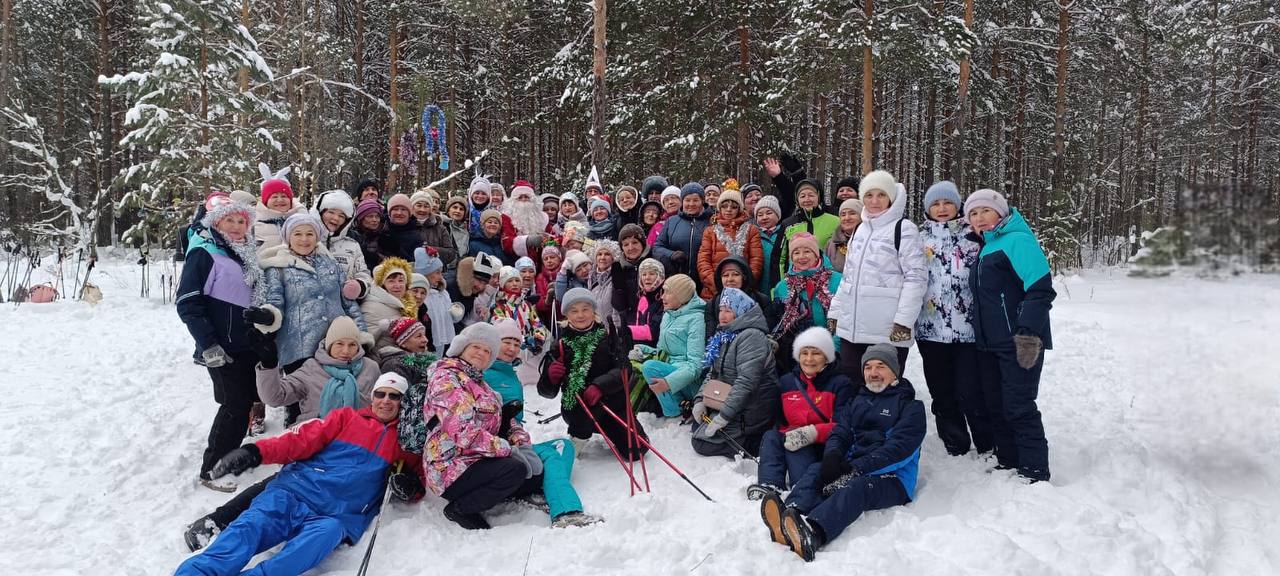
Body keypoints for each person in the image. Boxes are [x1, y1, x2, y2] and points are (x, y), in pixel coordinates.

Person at [175, 374, 423, 575]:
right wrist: (256, 452)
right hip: (294, 492)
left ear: (404, 402)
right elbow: (300, 441)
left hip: (336, 516)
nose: (386, 401)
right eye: (381, 394)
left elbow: (423, 480)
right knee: (247, 531)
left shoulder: (407, 443)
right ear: (372, 396)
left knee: (296, 557)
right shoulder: (347, 419)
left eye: (395, 396)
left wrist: (411, 486)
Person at [759, 344, 925, 562]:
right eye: (868, 367)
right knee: (816, 470)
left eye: (880, 366)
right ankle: (791, 514)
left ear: (895, 371)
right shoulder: (858, 400)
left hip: (894, 478)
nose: (873, 373)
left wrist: (857, 469)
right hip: (853, 465)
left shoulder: (911, 407)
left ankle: (814, 532)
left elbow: (899, 450)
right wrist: (833, 456)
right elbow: (841, 432)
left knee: (857, 488)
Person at [965, 188, 1055, 482]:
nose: (979, 218)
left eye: (985, 211)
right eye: (973, 213)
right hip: (990, 344)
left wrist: (1027, 332)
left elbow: (1040, 289)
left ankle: (1034, 468)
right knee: (996, 403)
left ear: (1001, 213)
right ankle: (1009, 459)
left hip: (1019, 342)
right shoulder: (987, 247)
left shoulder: (1017, 240)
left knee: (1019, 405)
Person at [177, 194, 263, 492]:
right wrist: (208, 344)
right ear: (216, 223)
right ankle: (212, 469)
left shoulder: (242, 253)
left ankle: (232, 456)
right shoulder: (204, 252)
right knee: (233, 404)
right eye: (230, 220)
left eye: (241, 221)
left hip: (245, 344)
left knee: (244, 401)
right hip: (221, 347)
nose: (237, 226)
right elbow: (188, 303)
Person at [423, 323, 542, 529]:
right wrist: (507, 449)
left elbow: (503, 419)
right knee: (514, 470)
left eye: (487, 351)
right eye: (476, 347)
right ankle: (460, 509)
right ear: (462, 347)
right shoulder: (446, 378)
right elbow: (463, 432)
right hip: (449, 466)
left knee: (533, 476)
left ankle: (490, 490)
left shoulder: (480, 383)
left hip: (476, 457)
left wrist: (522, 443)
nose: (481, 353)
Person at [487, 319, 600, 527]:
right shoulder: (485, 373)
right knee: (551, 456)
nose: (512, 348)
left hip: (515, 441)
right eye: (506, 342)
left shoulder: (509, 372)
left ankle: (543, 487)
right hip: (497, 446)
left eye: (516, 343)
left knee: (564, 446)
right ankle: (566, 512)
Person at [828, 170, 926, 391]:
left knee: (884, 386)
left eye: (881, 195)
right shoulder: (860, 229)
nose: (874, 201)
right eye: (869, 195)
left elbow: (916, 278)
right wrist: (835, 311)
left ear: (891, 197)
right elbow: (848, 277)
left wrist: (904, 321)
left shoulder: (904, 229)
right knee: (851, 383)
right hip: (852, 328)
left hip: (886, 329)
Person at [915, 181, 992, 457]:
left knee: (971, 391)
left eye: (947, 202)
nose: (942, 208)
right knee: (942, 391)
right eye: (935, 204)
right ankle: (955, 443)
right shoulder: (917, 238)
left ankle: (987, 443)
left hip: (968, 330)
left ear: (958, 205)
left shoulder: (976, 235)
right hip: (930, 329)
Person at [245, 213, 367, 374]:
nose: (304, 239)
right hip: (299, 350)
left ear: (317, 237)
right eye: (297, 234)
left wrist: (361, 335)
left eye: (310, 234)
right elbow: (275, 301)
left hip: (335, 347)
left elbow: (349, 304)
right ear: (288, 237)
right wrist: (267, 316)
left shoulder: (331, 263)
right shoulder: (277, 268)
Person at [539, 288, 649, 458]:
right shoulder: (560, 345)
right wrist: (550, 378)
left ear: (593, 311)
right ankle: (577, 439)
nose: (580, 315)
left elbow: (625, 370)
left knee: (637, 451)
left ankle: (608, 428)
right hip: (578, 410)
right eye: (574, 311)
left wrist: (600, 386)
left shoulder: (609, 336)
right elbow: (546, 392)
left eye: (585, 309)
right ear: (566, 315)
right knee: (582, 406)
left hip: (612, 405)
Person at [747, 327, 851, 501]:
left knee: (795, 446)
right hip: (792, 438)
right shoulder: (787, 382)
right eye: (804, 353)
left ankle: (802, 488)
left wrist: (812, 433)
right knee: (771, 436)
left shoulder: (840, 384)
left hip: (821, 444)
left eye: (816, 353)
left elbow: (843, 425)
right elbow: (780, 421)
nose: (809, 359)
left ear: (827, 356)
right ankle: (770, 485)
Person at [690, 288, 779, 457]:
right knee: (698, 428)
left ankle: (753, 443)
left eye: (728, 310)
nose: (722, 315)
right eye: (721, 310)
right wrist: (700, 400)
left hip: (752, 407)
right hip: (731, 401)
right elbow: (713, 373)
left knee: (701, 444)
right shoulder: (725, 334)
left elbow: (746, 382)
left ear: (741, 312)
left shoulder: (752, 336)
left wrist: (724, 416)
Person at [634, 274, 704, 418]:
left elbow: (696, 366)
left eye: (668, 292)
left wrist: (669, 382)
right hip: (670, 372)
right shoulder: (668, 315)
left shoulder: (697, 319)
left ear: (681, 297)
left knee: (650, 367)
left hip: (689, 382)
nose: (662, 297)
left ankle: (675, 412)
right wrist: (641, 349)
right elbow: (663, 353)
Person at [770, 233, 841, 374]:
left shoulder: (838, 280)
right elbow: (780, 323)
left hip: (833, 352)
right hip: (798, 356)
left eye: (807, 251)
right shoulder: (783, 287)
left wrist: (831, 348)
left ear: (816, 255)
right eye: (796, 253)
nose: (801, 256)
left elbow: (847, 319)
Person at [696, 189, 763, 300]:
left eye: (734, 207)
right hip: (714, 293)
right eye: (724, 206)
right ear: (719, 208)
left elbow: (756, 261)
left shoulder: (751, 230)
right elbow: (703, 262)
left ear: (739, 208)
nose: (728, 210)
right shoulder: (710, 231)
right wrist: (718, 286)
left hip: (744, 292)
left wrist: (745, 285)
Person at [311, 190, 372, 302]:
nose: (336, 218)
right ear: (320, 212)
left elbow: (363, 273)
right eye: (331, 212)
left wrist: (359, 285)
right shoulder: (305, 241)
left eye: (341, 216)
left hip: (343, 305)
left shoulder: (353, 245)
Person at [653, 182, 713, 291]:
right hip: (677, 281)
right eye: (687, 200)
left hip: (705, 283)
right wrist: (672, 254)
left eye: (695, 200)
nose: (691, 204)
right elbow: (657, 247)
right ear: (682, 201)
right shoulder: (672, 222)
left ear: (702, 201)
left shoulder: (712, 221)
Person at [702, 255, 773, 340]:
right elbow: (710, 337)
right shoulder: (713, 304)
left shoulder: (761, 300)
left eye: (735, 274)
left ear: (744, 277)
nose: (730, 279)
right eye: (725, 275)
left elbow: (768, 332)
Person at [778, 179, 840, 275]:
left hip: (827, 277)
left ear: (818, 197)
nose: (807, 199)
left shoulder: (835, 221)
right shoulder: (788, 224)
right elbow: (780, 258)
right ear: (797, 200)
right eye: (802, 196)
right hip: (795, 279)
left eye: (811, 195)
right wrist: (783, 281)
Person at [491, 266, 550, 355]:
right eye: (510, 281)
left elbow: (537, 324)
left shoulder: (527, 304)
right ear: (503, 284)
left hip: (528, 352)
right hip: (507, 350)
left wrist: (538, 339)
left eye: (517, 280)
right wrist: (524, 341)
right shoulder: (499, 306)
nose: (514, 284)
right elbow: (502, 330)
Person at [415, 247, 462, 357]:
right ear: (425, 274)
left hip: (442, 339)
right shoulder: (421, 296)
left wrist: (455, 312)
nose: (441, 277)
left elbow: (449, 316)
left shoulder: (442, 293)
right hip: (427, 341)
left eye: (441, 272)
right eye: (437, 273)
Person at [358, 257, 416, 339]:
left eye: (401, 280)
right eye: (391, 281)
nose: (397, 285)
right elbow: (367, 341)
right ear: (382, 285)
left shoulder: (408, 305)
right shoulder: (371, 307)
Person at [253, 172, 302, 254]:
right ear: (266, 201)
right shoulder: (253, 222)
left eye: (284, 196)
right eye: (274, 197)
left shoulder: (302, 220)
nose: (280, 200)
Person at [621, 257, 665, 348]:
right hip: (642, 348)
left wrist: (625, 330)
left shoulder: (664, 299)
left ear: (660, 276)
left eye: (652, 274)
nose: (647, 278)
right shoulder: (642, 298)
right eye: (644, 274)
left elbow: (653, 332)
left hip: (657, 349)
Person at [410, 188, 459, 268]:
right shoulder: (405, 226)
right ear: (412, 207)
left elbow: (451, 253)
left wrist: (431, 251)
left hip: (436, 272)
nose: (422, 209)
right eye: (419, 205)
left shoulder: (440, 228)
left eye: (426, 206)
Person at [450, 251, 502, 327]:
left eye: (485, 283)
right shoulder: (451, 288)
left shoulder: (472, 293)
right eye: (479, 280)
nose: (480, 286)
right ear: (469, 275)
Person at [502, 180, 549, 261]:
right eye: (520, 197)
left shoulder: (543, 217)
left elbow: (551, 235)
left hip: (541, 260)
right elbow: (506, 242)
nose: (523, 199)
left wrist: (548, 239)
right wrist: (527, 241)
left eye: (526, 197)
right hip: (514, 261)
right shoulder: (506, 217)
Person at [754, 195, 785, 295]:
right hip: (759, 283)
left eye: (769, 213)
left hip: (780, 279)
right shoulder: (754, 235)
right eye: (760, 215)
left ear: (777, 215)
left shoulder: (784, 233)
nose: (764, 217)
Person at [588, 239, 623, 326]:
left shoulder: (618, 276)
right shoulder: (591, 278)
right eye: (599, 254)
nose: (602, 257)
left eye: (607, 254)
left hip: (615, 328)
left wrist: (616, 329)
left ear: (613, 257)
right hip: (598, 329)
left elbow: (619, 309)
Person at [380, 193, 424, 260]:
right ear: (389, 213)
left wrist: (398, 251)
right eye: (395, 209)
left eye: (403, 209)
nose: (399, 213)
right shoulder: (381, 230)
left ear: (409, 214)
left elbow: (417, 262)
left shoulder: (417, 234)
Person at [824, 198, 863, 273]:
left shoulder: (870, 241)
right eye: (843, 214)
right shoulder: (831, 244)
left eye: (852, 213)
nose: (847, 218)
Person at [349, 198, 386, 270]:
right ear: (361, 218)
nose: (375, 220)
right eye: (370, 216)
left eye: (377, 216)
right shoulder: (352, 237)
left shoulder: (386, 237)